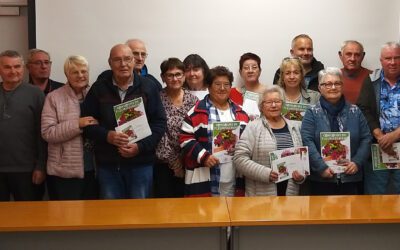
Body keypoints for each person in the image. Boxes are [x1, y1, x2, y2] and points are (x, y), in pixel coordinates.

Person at [82, 44, 166, 199]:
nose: (123, 64)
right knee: (112, 217)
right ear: (109, 63)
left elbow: (159, 123)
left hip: (141, 164)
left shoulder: (149, 87)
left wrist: (139, 147)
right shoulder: (98, 88)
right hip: (108, 166)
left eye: (127, 59)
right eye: (117, 60)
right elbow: (87, 125)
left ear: (134, 61)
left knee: (140, 216)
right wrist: (107, 135)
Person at [180, 66, 249, 197]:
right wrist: (204, 157)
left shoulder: (241, 113)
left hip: (233, 176)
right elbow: (185, 139)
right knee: (206, 214)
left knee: (231, 214)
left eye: (226, 84)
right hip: (205, 175)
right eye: (217, 84)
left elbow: (248, 141)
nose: (222, 88)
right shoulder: (196, 112)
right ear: (209, 86)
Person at [301, 67, 371, 195]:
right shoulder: (312, 112)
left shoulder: (355, 111)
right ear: (320, 88)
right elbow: (307, 140)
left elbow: (366, 138)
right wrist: (321, 167)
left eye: (337, 83)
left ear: (342, 86)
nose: (333, 87)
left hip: (351, 178)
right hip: (321, 178)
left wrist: (357, 162)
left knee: (351, 214)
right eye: (327, 84)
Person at [41, 55, 98, 200]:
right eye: (75, 72)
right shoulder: (54, 97)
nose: (80, 75)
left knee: (93, 218)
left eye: (84, 71)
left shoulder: (97, 94)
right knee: (68, 219)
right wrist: (77, 124)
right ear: (67, 74)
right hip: (65, 171)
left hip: (95, 168)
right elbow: (48, 133)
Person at [233, 86, 304, 196]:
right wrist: (265, 173)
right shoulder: (253, 127)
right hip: (261, 195)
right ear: (261, 106)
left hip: (290, 194)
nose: (274, 105)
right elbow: (239, 158)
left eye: (277, 101)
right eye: (269, 102)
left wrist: (300, 177)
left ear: (283, 104)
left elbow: (301, 159)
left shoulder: (295, 127)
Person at [0, 50, 46, 201]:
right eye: (7, 67)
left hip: (27, 170)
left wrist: (40, 166)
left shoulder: (36, 94)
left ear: (23, 68)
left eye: (17, 66)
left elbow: (42, 133)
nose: (13, 71)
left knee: (29, 219)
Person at [357, 42, 400, 194]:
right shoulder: (371, 80)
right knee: (376, 199)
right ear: (381, 60)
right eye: (388, 58)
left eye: (397, 58)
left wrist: (394, 135)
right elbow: (363, 109)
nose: (393, 62)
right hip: (378, 148)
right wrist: (380, 136)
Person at [154, 58, 198, 198]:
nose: (175, 78)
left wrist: (184, 158)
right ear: (163, 77)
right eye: (170, 75)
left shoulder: (193, 100)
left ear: (184, 76)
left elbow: (197, 129)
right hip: (164, 163)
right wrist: (174, 162)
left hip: (190, 159)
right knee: (165, 206)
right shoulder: (156, 99)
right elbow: (158, 132)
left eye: (178, 74)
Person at [97, 39, 162, 90]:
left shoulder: (152, 82)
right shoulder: (105, 78)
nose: (140, 58)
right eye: (135, 53)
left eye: (143, 54)